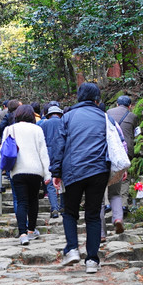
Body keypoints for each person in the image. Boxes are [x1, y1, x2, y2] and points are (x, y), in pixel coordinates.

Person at [49, 83, 110, 273]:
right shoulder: (105, 117)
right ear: (97, 98)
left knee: (70, 212)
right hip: (99, 170)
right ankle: (92, 260)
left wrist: (56, 172)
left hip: (73, 170)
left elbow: (60, 146)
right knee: (93, 215)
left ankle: (72, 249)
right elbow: (116, 143)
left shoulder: (67, 117)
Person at [3, 104, 51, 245]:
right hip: (35, 170)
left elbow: (4, 149)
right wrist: (47, 174)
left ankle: (22, 233)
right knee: (33, 200)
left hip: (18, 169)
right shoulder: (37, 129)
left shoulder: (10, 129)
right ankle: (31, 230)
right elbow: (43, 152)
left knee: (22, 201)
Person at [106, 95, 138, 234]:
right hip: (126, 150)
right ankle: (123, 205)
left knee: (107, 175)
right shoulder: (133, 116)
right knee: (123, 177)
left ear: (117, 104)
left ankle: (107, 203)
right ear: (129, 105)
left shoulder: (108, 113)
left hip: (110, 149)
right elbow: (137, 133)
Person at [40, 103, 64, 219]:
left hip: (48, 153)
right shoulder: (64, 123)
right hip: (63, 152)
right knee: (63, 179)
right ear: (60, 114)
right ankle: (63, 205)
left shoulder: (44, 124)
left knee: (49, 180)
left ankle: (54, 207)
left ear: (48, 115)